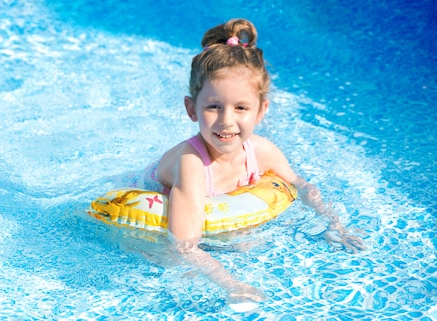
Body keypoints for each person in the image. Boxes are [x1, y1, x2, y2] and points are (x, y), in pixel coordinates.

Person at [142, 18, 366, 305]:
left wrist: (335, 226)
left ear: (261, 111)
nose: (226, 121)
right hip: (147, 206)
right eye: (213, 106)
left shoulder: (261, 151)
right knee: (171, 266)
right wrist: (230, 283)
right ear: (191, 109)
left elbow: (302, 186)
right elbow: (184, 244)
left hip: (219, 216)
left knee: (249, 242)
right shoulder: (190, 163)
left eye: (241, 108)